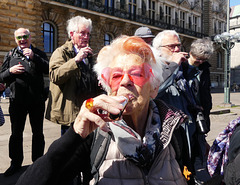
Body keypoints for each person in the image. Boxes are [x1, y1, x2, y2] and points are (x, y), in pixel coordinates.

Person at [16, 36, 188, 185]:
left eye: (136, 74)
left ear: (154, 87)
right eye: (116, 76)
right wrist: (74, 135)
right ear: (107, 87)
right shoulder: (95, 133)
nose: (125, 81)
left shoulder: (174, 129)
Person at [0, 28, 49, 176]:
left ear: (30, 37)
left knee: (38, 133)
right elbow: (1, 77)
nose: (22, 39)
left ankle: (38, 163)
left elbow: (49, 69)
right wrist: (11, 71)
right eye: (19, 37)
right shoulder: (10, 55)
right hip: (17, 101)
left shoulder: (39, 53)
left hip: (37, 101)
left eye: (25, 36)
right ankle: (15, 163)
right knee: (16, 134)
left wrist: (34, 57)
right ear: (16, 40)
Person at [45, 16, 103, 135]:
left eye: (88, 34)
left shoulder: (89, 54)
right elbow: (55, 76)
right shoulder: (61, 52)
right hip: (72, 111)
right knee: (71, 148)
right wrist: (76, 60)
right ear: (72, 34)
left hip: (89, 108)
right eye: (82, 33)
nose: (86, 37)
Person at [153, 30, 198, 185]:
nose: (177, 50)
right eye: (171, 47)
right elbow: (154, 91)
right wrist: (172, 65)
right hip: (167, 140)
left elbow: (190, 104)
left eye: (178, 46)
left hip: (187, 136)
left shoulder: (181, 71)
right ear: (159, 49)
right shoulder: (153, 68)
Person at [184, 38, 214, 183]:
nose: (201, 62)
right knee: (186, 149)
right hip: (186, 116)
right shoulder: (180, 67)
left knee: (200, 148)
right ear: (190, 53)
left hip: (201, 116)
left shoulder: (204, 68)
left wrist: (206, 112)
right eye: (198, 60)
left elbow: (205, 92)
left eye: (204, 60)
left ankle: (196, 174)